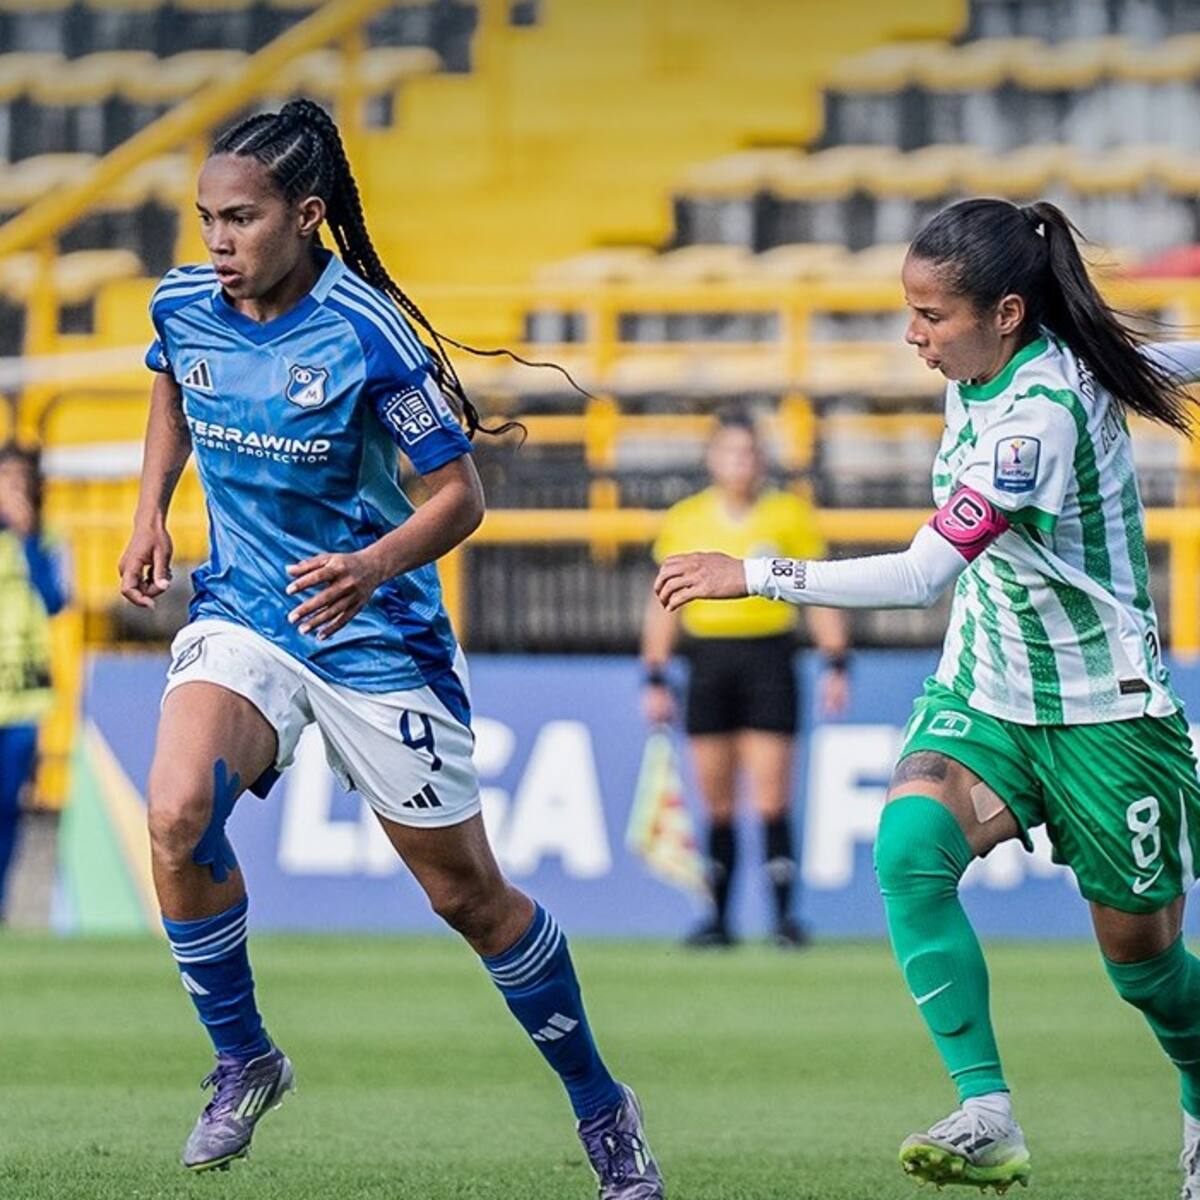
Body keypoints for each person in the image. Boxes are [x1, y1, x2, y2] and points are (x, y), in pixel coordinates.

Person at [117, 98, 664, 1199]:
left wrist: (371, 566)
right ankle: (244, 1058)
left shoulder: (365, 332)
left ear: (306, 215)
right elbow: (174, 386)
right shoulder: (184, 302)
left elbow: (460, 497)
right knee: (175, 813)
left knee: (469, 899)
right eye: (205, 218)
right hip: (247, 614)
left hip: (375, 634)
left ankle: (601, 1103)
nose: (217, 241)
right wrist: (150, 511)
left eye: (240, 219)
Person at [654, 197, 1200, 1196]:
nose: (913, 336)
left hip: (1104, 713)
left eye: (930, 317)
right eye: (910, 311)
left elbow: (919, 576)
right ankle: (986, 1110)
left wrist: (757, 574)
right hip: (987, 686)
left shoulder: (1033, 420)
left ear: (1004, 312)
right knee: (909, 849)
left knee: (1147, 969)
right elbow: (1144, 363)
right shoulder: (998, 365)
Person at [641, 409, 849, 947]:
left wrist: (835, 660)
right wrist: (656, 674)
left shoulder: (788, 515)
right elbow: (663, 602)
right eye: (731, 452)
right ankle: (717, 918)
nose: (741, 462)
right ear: (713, 459)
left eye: (750, 452)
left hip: (768, 657)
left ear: (762, 459)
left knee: (772, 795)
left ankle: (783, 919)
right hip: (708, 659)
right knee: (716, 800)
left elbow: (816, 590)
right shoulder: (686, 518)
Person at [0, 443, 67, 922]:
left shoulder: (46, 540)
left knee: (7, 808)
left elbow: (54, 601)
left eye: (20, 480)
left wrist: (26, 536)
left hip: (22, 698)